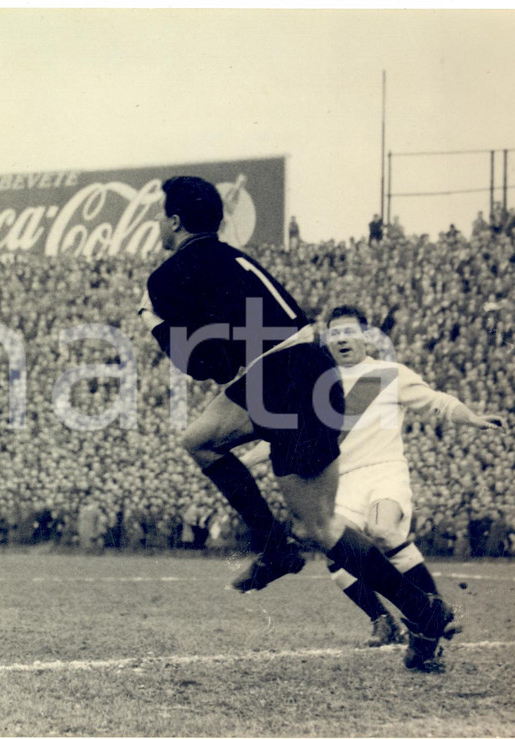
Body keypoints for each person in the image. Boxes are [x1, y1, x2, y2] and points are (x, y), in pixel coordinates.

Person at [138, 176, 457, 672]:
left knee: (321, 525)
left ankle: (419, 607)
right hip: (301, 367)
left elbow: (195, 364)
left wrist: (153, 322)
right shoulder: (235, 258)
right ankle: (279, 551)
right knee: (199, 440)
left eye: (161, 215)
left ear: (175, 221)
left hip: (281, 378)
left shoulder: (166, 277)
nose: (158, 223)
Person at [242, 305, 505, 659]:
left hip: (385, 472)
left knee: (383, 530)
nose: (342, 340)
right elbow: (283, 435)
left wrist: (470, 417)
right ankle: (382, 619)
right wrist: (241, 463)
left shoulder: (389, 373)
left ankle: (437, 613)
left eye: (349, 332)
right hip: (342, 481)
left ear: (366, 336)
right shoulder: (318, 385)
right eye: (334, 334)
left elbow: (437, 402)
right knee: (333, 547)